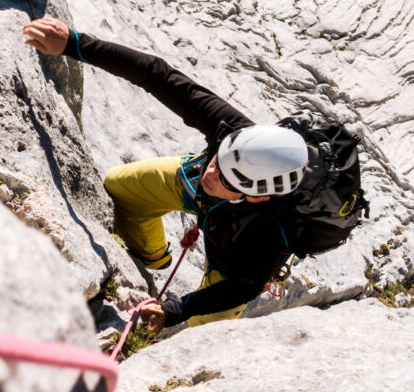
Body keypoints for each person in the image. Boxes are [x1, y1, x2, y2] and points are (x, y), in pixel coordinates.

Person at [22, 17, 309, 335]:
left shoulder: (272, 233)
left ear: (256, 195)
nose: (212, 172)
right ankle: (153, 255)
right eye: (218, 157)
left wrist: (177, 310)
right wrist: (75, 44)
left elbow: (241, 288)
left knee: (206, 331)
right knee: (121, 186)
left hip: (234, 253)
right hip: (199, 193)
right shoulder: (232, 132)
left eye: (227, 177)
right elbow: (157, 75)